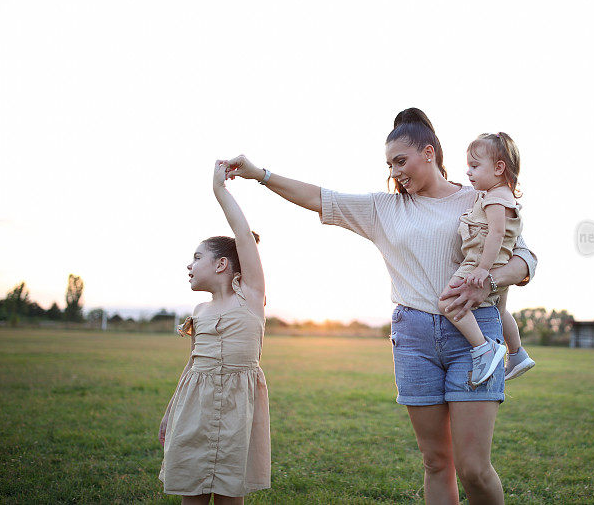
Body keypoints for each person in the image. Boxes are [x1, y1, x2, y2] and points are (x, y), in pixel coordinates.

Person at [221, 108, 537, 504]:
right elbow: (318, 197)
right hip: (414, 339)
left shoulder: (481, 197)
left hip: (475, 338)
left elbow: (526, 261)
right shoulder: (383, 209)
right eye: (390, 164)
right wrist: (259, 174)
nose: (396, 171)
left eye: (401, 161)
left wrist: (487, 282)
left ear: (429, 152)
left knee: (473, 467)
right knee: (436, 462)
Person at [158, 161, 270, 505]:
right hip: (195, 408)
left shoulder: (250, 297)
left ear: (222, 264)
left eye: (197, 258)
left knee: (227, 494)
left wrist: (219, 190)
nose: (189, 266)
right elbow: (192, 364)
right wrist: (170, 411)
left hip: (236, 410)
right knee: (191, 489)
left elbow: (241, 233)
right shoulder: (200, 312)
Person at [438, 132, 536, 385]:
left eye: (475, 166)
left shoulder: (494, 199)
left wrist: (482, 268)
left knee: (448, 302)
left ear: (499, 168)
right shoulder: (503, 196)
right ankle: (517, 354)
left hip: (478, 262)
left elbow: (496, 232)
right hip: (502, 263)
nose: (468, 172)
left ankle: (483, 348)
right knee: (500, 310)